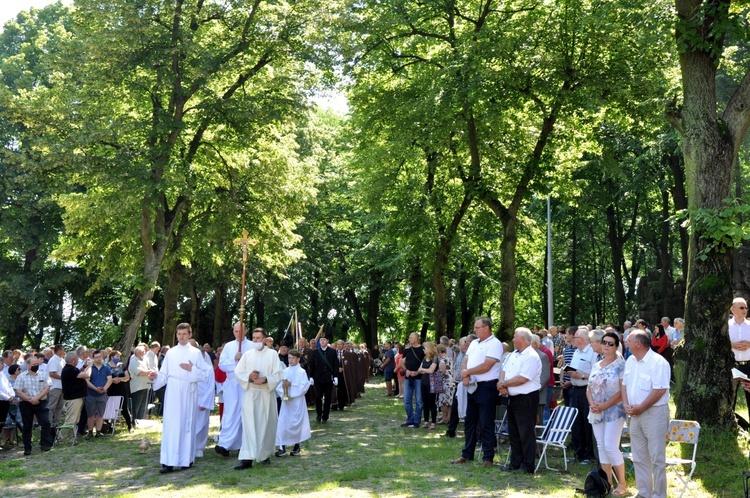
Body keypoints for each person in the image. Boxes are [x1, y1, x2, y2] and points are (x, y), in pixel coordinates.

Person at [152, 322, 211, 473]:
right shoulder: (171, 353)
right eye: (179, 334)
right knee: (171, 425)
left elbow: (205, 374)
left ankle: (186, 459)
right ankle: (168, 461)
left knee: (186, 425)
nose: (181, 337)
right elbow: (164, 374)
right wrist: (155, 376)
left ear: (190, 335)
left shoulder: (196, 353)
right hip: (173, 391)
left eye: (184, 334)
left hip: (188, 391)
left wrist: (192, 369)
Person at [621, 330, 671, 498]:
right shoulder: (630, 361)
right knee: (639, 455)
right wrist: (626, 405)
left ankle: (659, 494)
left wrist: (640, 407)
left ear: (638, 344)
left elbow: (660, 390)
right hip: (634, 414)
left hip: (654, 413)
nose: (626, 343)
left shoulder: (658, 362)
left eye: (628, 340)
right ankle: (643, 493)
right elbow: (625, 385)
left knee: (657, 456)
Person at [452, 317, 503, 467]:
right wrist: (465, 374)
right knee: (470, 421)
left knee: (486, 422)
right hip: (473, 385)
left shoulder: (495, 344)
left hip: (487, 386)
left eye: (477, 327)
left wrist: (467, 372)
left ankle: (488, 457)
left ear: (486, 328)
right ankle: (467, 454)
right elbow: (465, 359)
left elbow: (487, 366)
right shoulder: (474, 342)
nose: (474, 330)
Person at [234, 327, 284, 470]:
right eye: (254, 338)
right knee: (249, 424)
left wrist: (266, 379)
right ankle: (247, 458)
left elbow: (279, 373)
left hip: (266, 394)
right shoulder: (248, 354)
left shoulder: (273, 354)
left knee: (265, 424)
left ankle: (264, 454)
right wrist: (249, 377)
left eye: (258, 338)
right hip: (250, 393)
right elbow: (238, 372)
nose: (255, 340)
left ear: (264, 339)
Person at [587, 331, 627, 497]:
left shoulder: (621, 365)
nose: (607, 346)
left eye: (611, 343)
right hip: (596, 410)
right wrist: (593, 404)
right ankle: (607, 483)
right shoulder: (597, 363)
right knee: (601, 447)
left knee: (610, 445)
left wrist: (604, 405)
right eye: (604, 342)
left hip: (614, 411)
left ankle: (623, 484)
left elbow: (621, 392)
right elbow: (588, 387)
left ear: (616, 346)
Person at [497, 327, 541, 473]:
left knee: (526, 433)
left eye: (515, 337)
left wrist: (503, 384)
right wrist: (502, 385)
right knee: (514, 432)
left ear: (522, 339)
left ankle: (527, 465)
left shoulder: (531, 356)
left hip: (526, 398)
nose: (513, 339)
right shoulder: (513, 354)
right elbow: (504, 370)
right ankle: (515, 462)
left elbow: (523, 378)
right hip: (512, 397)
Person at [215, 322, 252, 457]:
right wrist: (234, 359)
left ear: (246, 331)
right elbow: (222, 365)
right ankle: (225, 444)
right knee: (230, 413)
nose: (238, 334)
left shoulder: (252, 346)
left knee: (246, 413)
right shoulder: (229, 346)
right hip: (231, 384)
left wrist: (243, 361)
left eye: (241, 331)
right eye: (236, 331)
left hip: (246, 384)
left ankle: (245, 443)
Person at [275, 349, 312, 457]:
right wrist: (283, 389)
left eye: (293, 358)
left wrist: (291, 385)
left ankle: (297, 445)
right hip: (287, 403)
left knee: (297, 423)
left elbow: (304, 386)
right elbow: (278, 385)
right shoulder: (285, 371)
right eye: (289, 358)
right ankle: (282, 446)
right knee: (283, 423)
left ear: (298, 359)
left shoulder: (301, 372)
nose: (290, 360)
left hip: (297, 401)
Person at [568, 328, 598, 463]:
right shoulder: (576, 352)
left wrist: (582, 375)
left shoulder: (592, 352)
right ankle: (578, 452)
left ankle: (589, 453)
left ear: (581, 339)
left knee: (587, 422)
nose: (572, 340)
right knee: (576, 421)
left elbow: (596, 373)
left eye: (574, 337)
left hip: (587, 389)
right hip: (575, 389)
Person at [14, 355, 53, 455]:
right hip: (26, 403)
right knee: (27, 426)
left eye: (37, 364)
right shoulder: (21, 376)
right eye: (34, 364)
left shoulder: (43, 375)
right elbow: (18, 391)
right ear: (28, 364)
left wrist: (37, 398)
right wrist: (29, 399)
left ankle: (45, 444)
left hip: (41, 402)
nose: (36, 366)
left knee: (45, 422)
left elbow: (47, 387)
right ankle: (27, 447)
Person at [59, 351, 91, 444]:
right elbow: (86, 375)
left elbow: (78, 372)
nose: (77, 361)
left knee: (75, 420)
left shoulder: (71, 369)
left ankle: (71, 439)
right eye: (77, 359)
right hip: (73, 398)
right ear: (73, 361)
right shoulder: (69, 369)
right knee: (71, 420)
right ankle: (59, 438)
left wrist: (84, 366)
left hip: (75, 397)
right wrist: (90, 366)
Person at [444, 335, 472, 438]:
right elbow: (456, 367)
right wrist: (454, 379)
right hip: (458, 383)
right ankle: (451, 430)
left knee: (465, 408)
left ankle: (467, 431)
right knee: (455, 407)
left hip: (466, 384)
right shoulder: (460, 353)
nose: (459, 346)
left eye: (460, 344)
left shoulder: (469, 354)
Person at [308, 332, 339, 423]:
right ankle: (318, 414)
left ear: (327, 341)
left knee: (328, 397)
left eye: (324, 340)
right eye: (321, 340)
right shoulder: (315, 352)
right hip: (318, 378)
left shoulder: (332, 352)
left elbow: (335, 364)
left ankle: (325, 415)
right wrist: (311, 376)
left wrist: (335, 376)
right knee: (318, 397)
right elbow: (311, 365)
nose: (322, 341)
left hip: (328, 378)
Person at [192, 339, 215, 458]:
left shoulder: (208, 369)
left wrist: (205, 402)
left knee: (201, 424)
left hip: (202, 399)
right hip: (190, 398)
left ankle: (199, 447)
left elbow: (210, 386)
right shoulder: (190, 367)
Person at [730, 297, 750, 421]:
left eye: (746, 307)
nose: (745, 310)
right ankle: (731, 426)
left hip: (749, 365)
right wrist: (731, 345)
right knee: (730, 397)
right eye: (742, 307)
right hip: (732, 365)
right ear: (733, 309)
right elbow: (719, 344)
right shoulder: (726, 326)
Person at [84, 350, 112, 439]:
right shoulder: (90, 368)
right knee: (91, 414)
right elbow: (86, 380)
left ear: (102, 357)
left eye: (99, 357)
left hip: (102, 394)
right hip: (91, 394)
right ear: (93, 358)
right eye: (96, 357)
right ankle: (90, 431)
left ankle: (99, 432)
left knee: (101, 414)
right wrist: (95, 389)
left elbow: (110, 380)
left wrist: (104, 389)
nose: (98, 359)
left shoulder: (106, 368)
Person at [401, 333, 425, 428]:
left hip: (418, 378)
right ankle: (410, 419)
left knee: (419, 401)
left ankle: (417, 421)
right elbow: (401, 363)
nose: (409, 339)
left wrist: (417, 372)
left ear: (416, 339)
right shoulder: (407, 350)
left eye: (411, 337)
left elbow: (425, 363)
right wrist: (406, 371)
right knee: (407, 399)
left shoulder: (422, 350)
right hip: (408, 378)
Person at [107, 350, 133, 432]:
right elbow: (106, 378)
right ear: (112, 357)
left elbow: (127, 377)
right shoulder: (106, 367)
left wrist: (120, 379)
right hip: (111, 390)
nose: (118, 358)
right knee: (111, 408)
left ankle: (130, 425)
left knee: (124, 408)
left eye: (119, 357)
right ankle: (110, 427)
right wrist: (112, 380)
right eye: (117, 356)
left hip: (122, 389)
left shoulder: (122, 365)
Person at [128, 345, 154, 422]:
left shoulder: (144, 360)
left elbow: (147, 370)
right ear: (139, 352)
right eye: (143, 351)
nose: (144, 353)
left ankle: (141, 421)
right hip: (137, 387)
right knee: (136, 405)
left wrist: (150, 372)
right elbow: (140, 373)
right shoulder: (134, 361)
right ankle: (134, 421)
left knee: (143, 405)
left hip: (145, 385)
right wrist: (151, 372)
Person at [417, 341, 439, 429]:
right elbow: (419, 369)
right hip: (424, 382)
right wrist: (425, 369)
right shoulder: (424, 358)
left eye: (425, 348)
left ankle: (433, 422)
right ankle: (426, 421)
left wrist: (423, 370)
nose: (423, 350)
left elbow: (431, 371)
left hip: (431, 383)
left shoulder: (435, 358)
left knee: (432, 403)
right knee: (425, 402)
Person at [46, 345, 66, 432]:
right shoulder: (54, 360)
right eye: (63, 350)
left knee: (59, 406)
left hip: (61, 386)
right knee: (52, 406)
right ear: (60, 350)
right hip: (54, 386)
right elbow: (52, 373)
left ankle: (57, 422)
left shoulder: (62, 360)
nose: (64, 352)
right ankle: (48, 423)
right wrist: (63, 377)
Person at [436, 344, 454, 424]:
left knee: (443, 401)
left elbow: (442, 371)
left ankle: (444, 417)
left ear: (439, 351)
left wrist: (437, 374)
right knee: (449, 400)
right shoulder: (449, 358)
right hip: (451, 380)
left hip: (444, 381)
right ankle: (449, 417)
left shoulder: (442, 360)